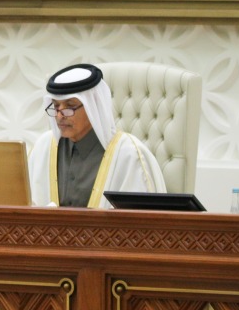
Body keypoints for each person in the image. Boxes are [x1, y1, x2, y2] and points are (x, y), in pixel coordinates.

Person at [28, 63, 165, 208]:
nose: (60, 115)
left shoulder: (129, 155)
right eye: (56, 106)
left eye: (70, 106)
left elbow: (140, 223)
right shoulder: (43, 148)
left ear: (93, 106)